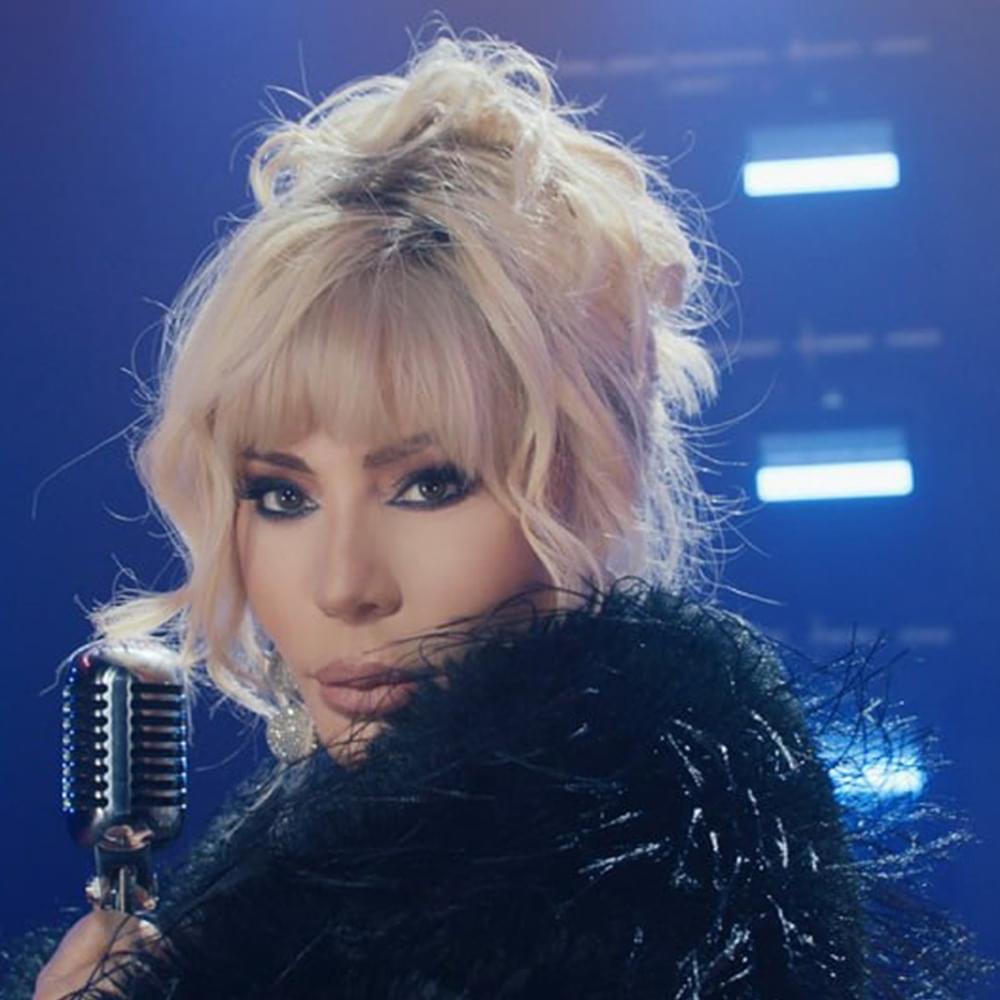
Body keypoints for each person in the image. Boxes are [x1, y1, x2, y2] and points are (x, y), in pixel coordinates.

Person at [5, 25, 992, 1000]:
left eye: (429, 484)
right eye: (283, 495)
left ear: (592, 481)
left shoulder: (627, 875)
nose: (344, 584)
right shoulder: (337, 872)